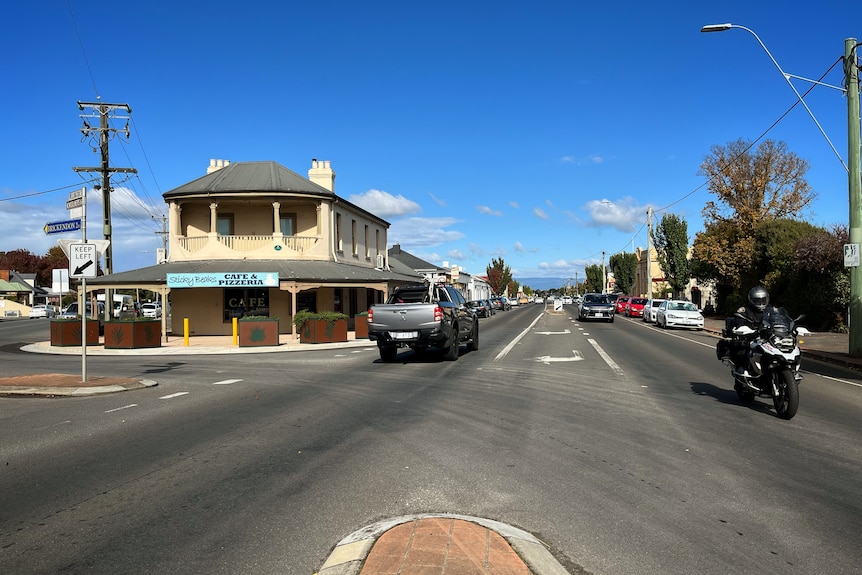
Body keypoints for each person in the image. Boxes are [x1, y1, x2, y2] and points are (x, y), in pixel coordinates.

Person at [730, 286, 772, 374]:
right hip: (750, 338)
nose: (761, 303)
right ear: (751, 300)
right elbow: (739, 320)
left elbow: (779, 319)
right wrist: (742, 328)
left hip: (767, 338)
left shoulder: (771, 310)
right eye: (757, 300)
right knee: (745, 351)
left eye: (763, 300)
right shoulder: (745, 310)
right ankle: (742, 371)